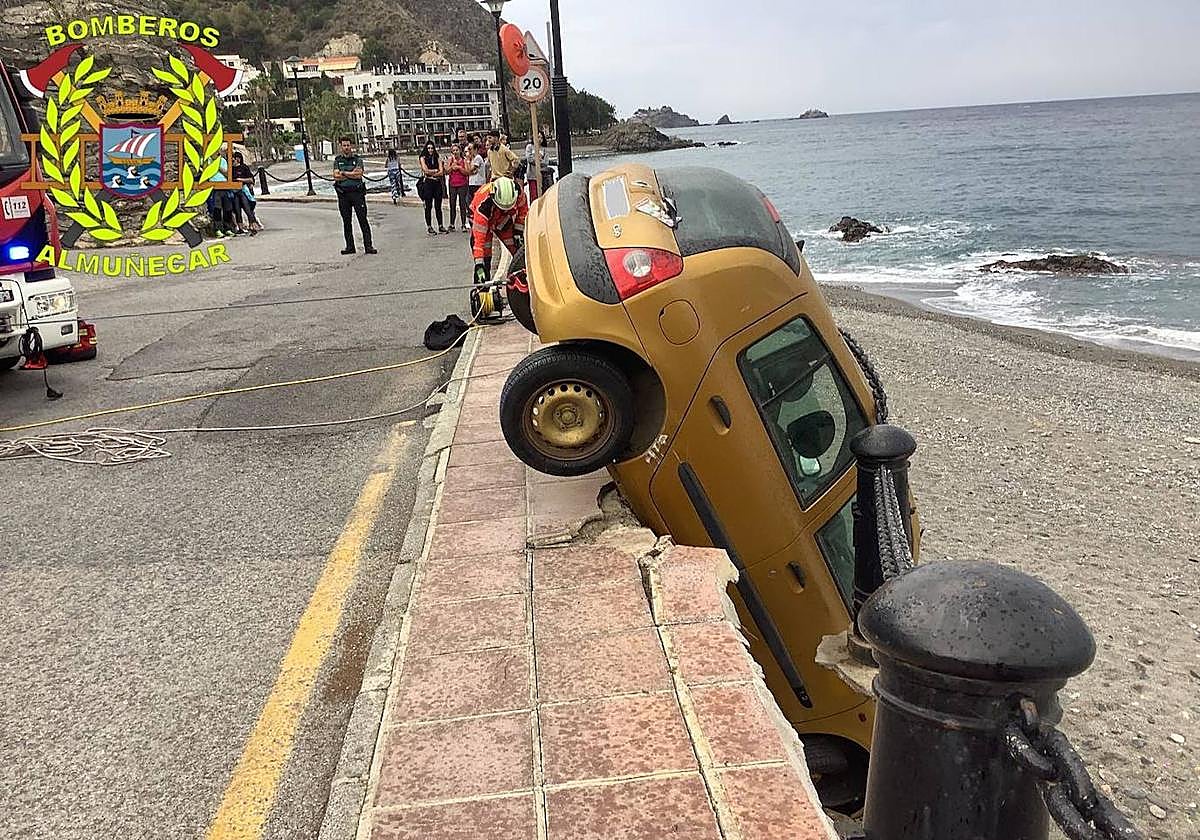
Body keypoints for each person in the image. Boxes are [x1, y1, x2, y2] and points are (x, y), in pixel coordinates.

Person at [470, 175, 528, 282]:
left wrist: (518, 231)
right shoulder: (483, 209)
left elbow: (523, 211)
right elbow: (479, 242)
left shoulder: (518, 192)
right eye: (503, 208)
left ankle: (523, 279)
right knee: (485, 258)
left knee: (518, 251)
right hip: (484, 220)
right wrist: (479, 265)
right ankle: (483, 285)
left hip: (502, 218)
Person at [333, 136, 376, 255]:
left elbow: (359, 174)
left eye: (348, 145)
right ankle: (350, 246)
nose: (346, 147)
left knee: (363, 219)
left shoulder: (357, 160)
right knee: (346, 221)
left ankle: (368, 246)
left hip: (357, 193)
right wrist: (351, 173)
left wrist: (344, 173)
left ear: (351, 146)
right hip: (343, 194)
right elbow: (336, 176)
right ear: (341, 146)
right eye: (344, 145)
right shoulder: (337, 161)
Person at [417, 140, 446, 235]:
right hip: (428, 184)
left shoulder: (437, 157)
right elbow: (425, 170)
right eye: (428, 148)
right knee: (428, 206)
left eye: (432, 148)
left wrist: (432, 173)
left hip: (437, 183)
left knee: (438, 206)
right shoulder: (423, 158)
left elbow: (441, 172)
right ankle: (429, 226)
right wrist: (435, 171)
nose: (430, 150)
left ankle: (440, 225)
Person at [230, 151, 262, 235]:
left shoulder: (244, 167)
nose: (232, 161)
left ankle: (253, 225)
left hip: (243, 190)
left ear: (238, 159)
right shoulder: (230, 169)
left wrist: (240, 180)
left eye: (233, 159)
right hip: (234, 192)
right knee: (237, 209)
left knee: (247, 207)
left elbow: (251, 179)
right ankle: (240, 227)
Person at [446, 143, 472, 233]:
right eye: (453, 150)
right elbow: (446, 171)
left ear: (460, 151)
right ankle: (452, 224)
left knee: (462, 204)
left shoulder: (464, 160)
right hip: (452, 184)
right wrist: (452, 167)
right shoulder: (450, 160)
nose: (455, 152)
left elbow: (467, 172)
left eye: (457, 150)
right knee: (452, 204)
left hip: (462, 184)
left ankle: (463, 224)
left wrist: (459, 168)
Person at [467, 140, 488, 204]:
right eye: (468, 149)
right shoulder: (472, 158)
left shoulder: (478, 158)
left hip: (478, 183)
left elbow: (471, 169)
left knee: (477, 202)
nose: (469, 151)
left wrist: (467, 161)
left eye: (470, 149)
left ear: (475, 149)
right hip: (472, 183)